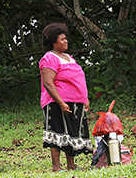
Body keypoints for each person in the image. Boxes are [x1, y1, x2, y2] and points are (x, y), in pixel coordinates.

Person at [39, 23, 93, 172]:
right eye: (62, 39)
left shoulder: (69, 57)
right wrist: (61, 103)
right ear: (53, 42)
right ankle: (56, 166)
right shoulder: (50, 57)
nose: (66, 41)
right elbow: (48, 83)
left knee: (71, 132)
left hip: (75, 101)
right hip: (57, 102)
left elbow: (77, 79)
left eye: (66, 38)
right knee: (57, 132)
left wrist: (84, 98)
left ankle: (71, 165)